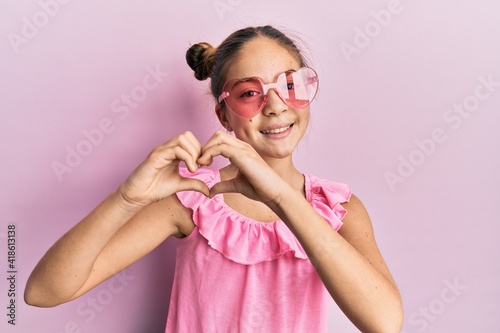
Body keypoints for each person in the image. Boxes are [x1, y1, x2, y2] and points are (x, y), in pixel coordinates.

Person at [25, 25, 404, 332]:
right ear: (224, 117)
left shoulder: (338, 209)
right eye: (249, 93)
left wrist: (281, 198)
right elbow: (43, 291)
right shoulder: (195, 199)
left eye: (290, 85)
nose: (275, 105)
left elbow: (384, 322)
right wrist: (125, 200)